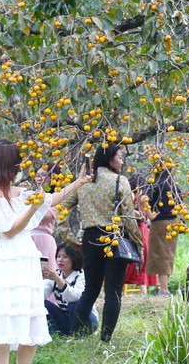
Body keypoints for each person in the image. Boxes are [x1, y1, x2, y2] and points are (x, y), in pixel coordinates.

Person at [0, 139, 91, 364]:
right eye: (17, 161)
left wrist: (79, 182)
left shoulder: (19, 192)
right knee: (6, 314)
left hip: (27, 256)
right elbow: (9, 230)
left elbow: (53, 199)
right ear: (7, 164)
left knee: (31, 312)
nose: (21, 167)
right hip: (7, 258)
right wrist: (32, 206)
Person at [60, 143, 144, 341]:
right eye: (119, 157)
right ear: (109, 158)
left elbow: (62, 209)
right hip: (114, 238)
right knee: (113, 291)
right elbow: (128, 217)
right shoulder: (119, 181)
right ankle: (105, 339)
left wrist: (69, 238)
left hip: (89, 239)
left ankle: (76, 334)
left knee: (91, 289)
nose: (122, 161)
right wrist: (138, 242)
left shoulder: (84, 182)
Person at [143, 164, 184, 296]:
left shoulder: (154, 184)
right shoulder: (173, 186)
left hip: (160, 222)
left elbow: (143, 201)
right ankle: (164, 289)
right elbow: (181, 205)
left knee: (161, 255)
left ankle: (163, 289)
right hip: (173, 223)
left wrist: (150, 216)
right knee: (167, 255)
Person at [42, 242, 96, 336]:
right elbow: (40, 296)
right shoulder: (56, 275)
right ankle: (52, 334)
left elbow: (74, 297)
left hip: (87, 320)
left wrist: (58, 280)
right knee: (42, 304)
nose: (60, 260)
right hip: (66, 319)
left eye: (65, 257)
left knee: (73, 304)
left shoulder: (81, 275)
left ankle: (77, 335)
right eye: (58, 256)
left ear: (74, 258)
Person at [125, 173, 158, 291]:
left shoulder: (127, 197)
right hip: (141, 230)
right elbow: (148, 216)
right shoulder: (142, 198)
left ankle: (128, 290)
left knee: (129, 257)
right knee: (143, 259)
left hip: (129, 230)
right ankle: (143, 293)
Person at [30, 163, 60, 271]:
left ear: (53, 177)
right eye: (37, 175)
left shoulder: (56, 197)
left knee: (44, 275)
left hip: (42, 239)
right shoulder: (32, 195)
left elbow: (47, 216)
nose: (39, 178)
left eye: (43, 175)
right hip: (26, 238)